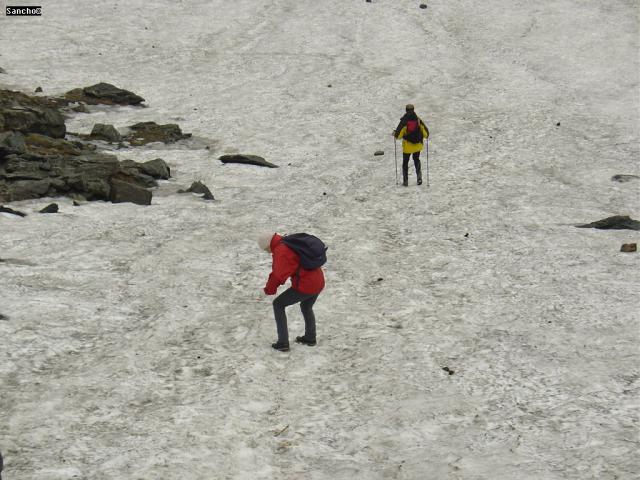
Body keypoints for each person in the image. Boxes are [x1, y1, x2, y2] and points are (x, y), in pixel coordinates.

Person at [258, 232, 325, 352]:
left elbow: (278, 275)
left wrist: (269, 289)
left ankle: (283, 342)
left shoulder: (282, 251)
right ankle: (310, 337)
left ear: (268, 245)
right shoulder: (288, 241)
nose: (267, 252)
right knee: (306, 306)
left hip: (307, 285)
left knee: (278, 304)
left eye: (266, 250)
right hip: (318, 280)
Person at [393, 104, 430, 186]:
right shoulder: (418, 120)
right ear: (413, 109)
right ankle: (419, 178)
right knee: (416, 159)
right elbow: (426, 134)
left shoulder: (404, 121)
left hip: (407, 147)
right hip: (417, 146)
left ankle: (405, 181)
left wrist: (394, 134)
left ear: (406, 110)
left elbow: (398, 136)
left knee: (405, 163)